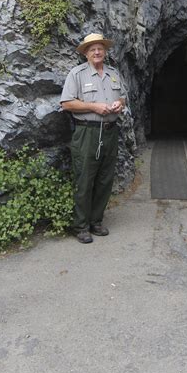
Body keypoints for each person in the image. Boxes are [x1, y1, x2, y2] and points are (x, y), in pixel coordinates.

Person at [60, 32, 126, 244]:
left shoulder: (114, 73)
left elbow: (123, 96)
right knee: (85, 178)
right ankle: (80, 226)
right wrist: (94, 106)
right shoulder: (77, 74)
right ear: (86, 53)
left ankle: (96, 221)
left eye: (100, 48)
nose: (97, 52)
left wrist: (120, 104)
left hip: (110, 131)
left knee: (105, 179)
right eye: (92, 49)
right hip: (87, 132)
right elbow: (67, 104)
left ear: (105, 51)